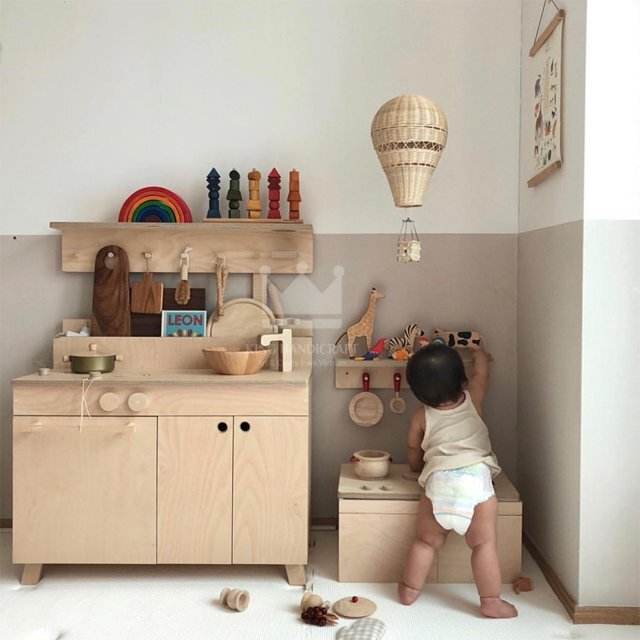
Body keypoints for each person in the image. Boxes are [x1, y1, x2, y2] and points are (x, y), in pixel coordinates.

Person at [398, 343, 517, 618]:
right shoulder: (473, 397)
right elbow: (482, 374)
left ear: (418, 392)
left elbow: (413, 448)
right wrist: (480, 355)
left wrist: (416, 467)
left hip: (439, 482)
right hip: (476, 482)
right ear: (462, 379)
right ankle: (491, 600)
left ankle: (409, 589)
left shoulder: (421, 415)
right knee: (483, 545)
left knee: (425, 542)